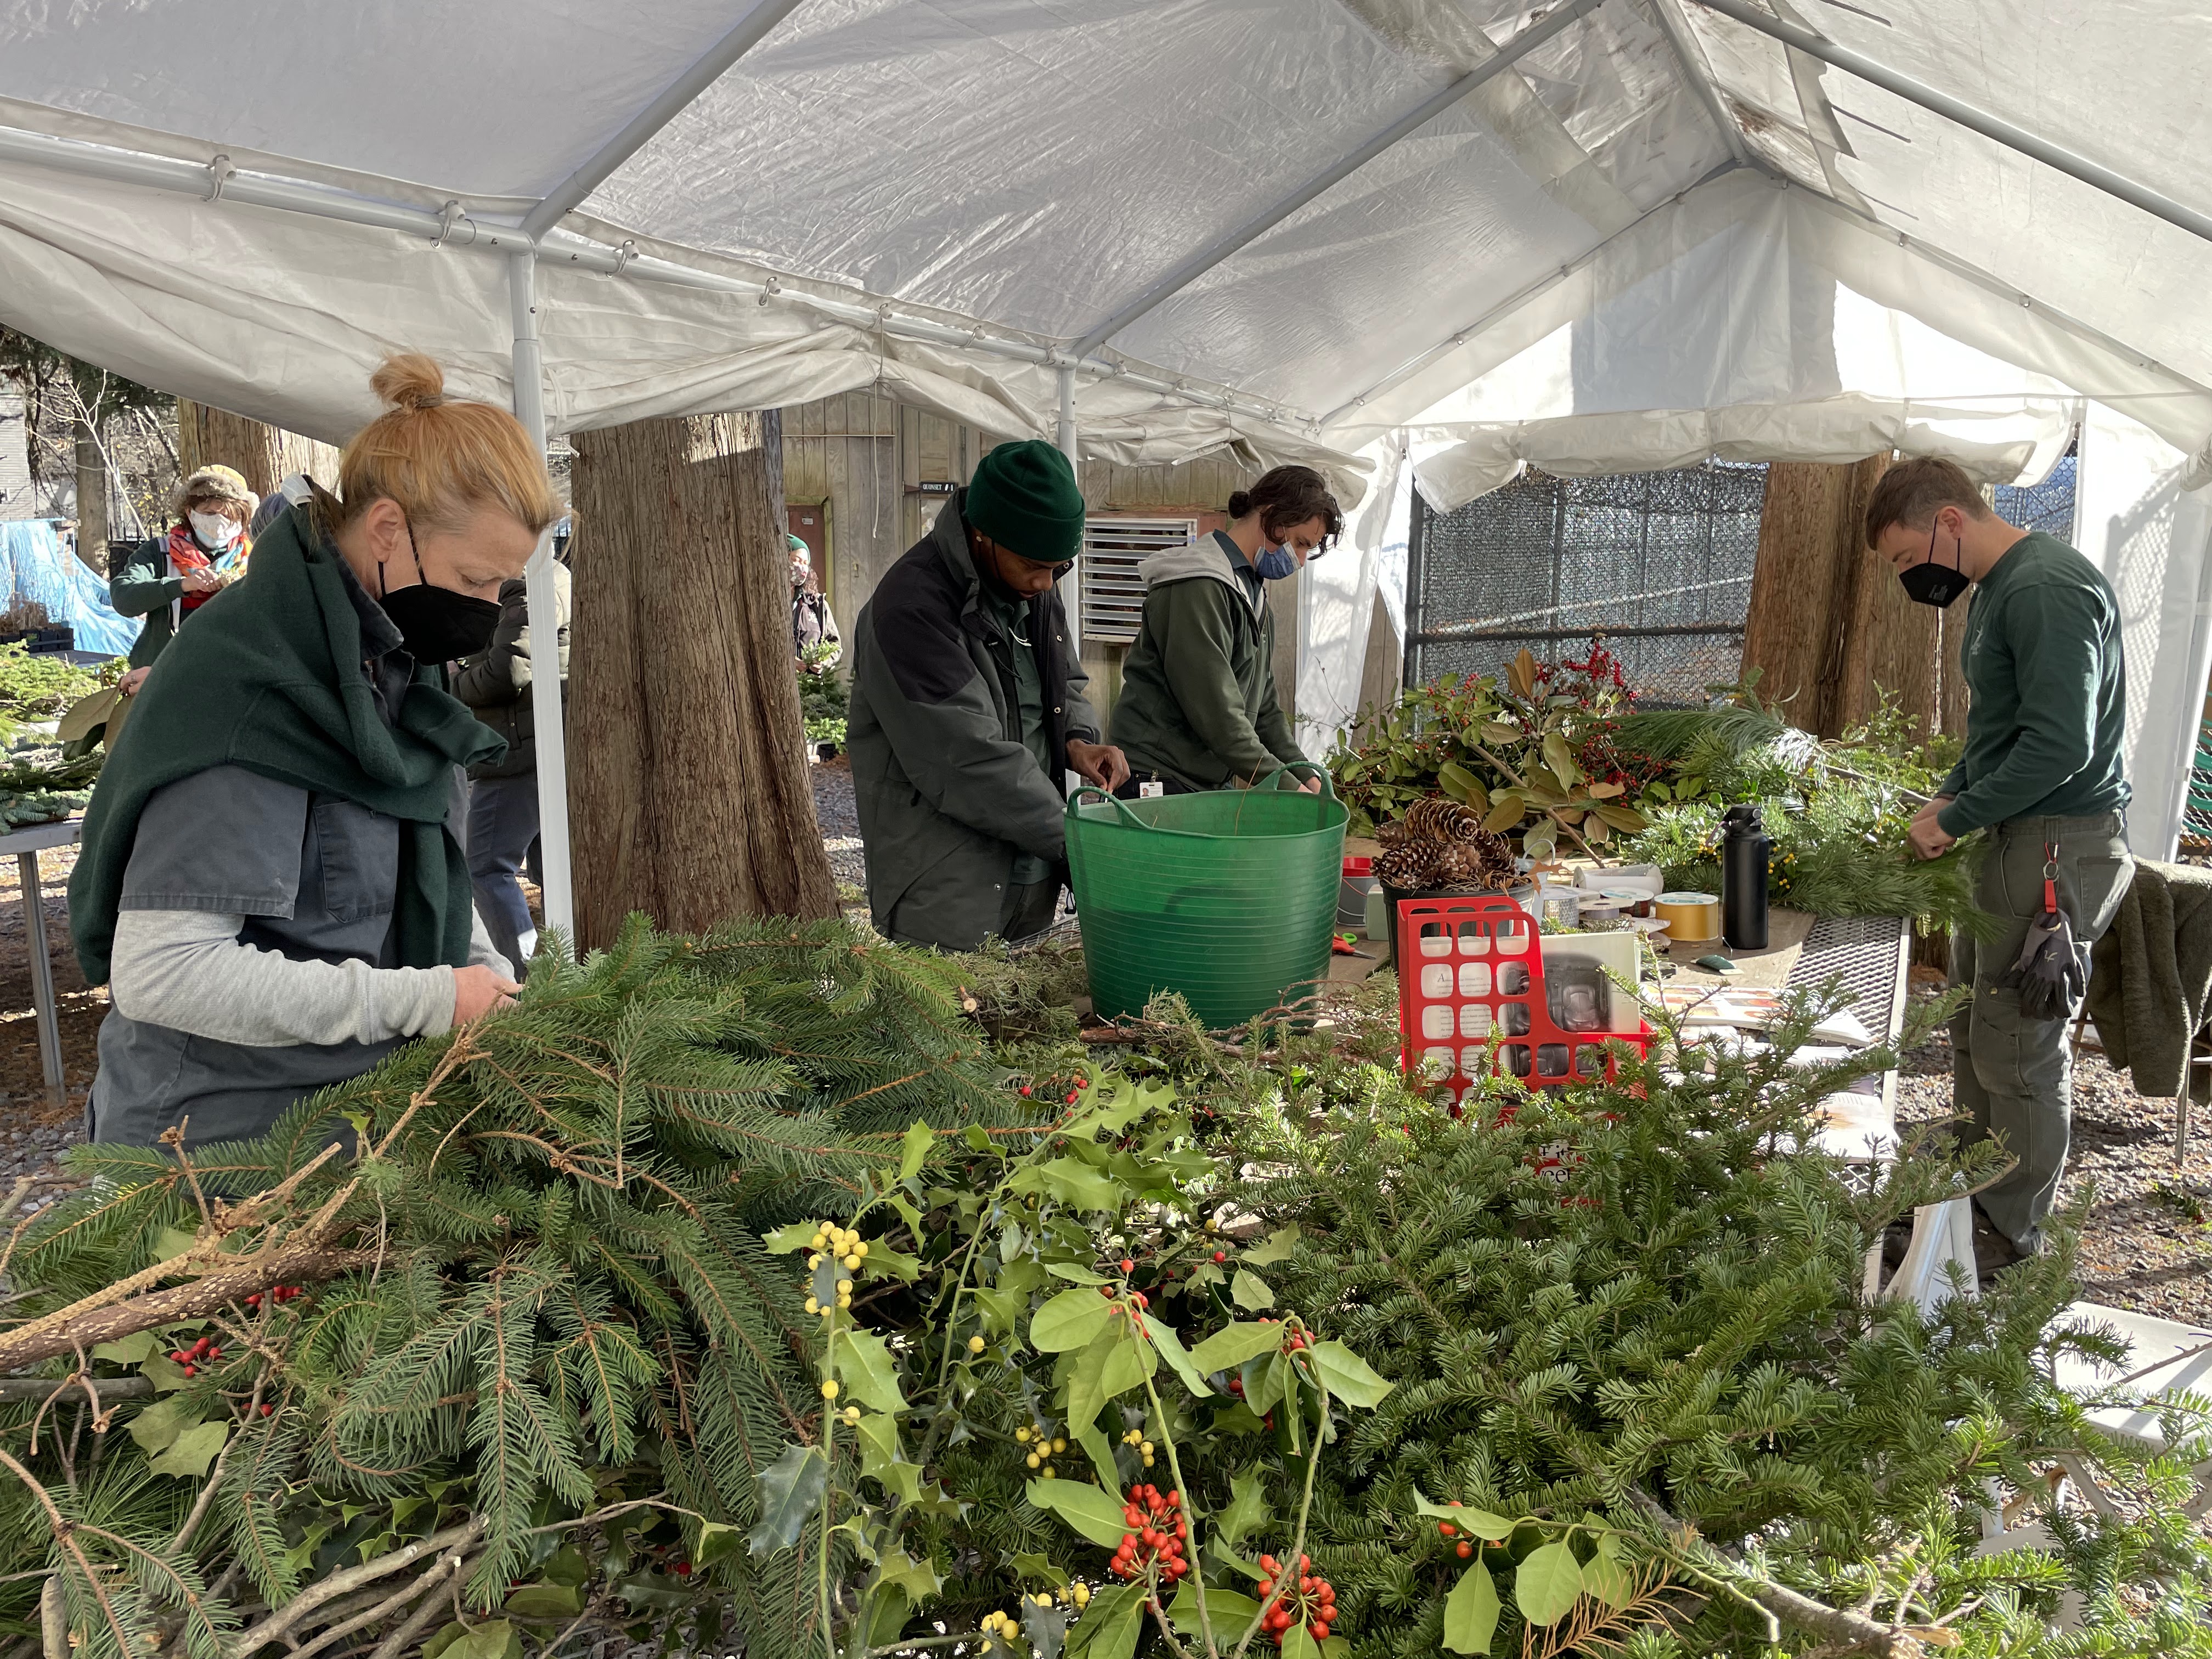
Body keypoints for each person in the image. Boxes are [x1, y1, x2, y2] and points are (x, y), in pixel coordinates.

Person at [69, 353, 558, 1150]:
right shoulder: (248, 682)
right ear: (388, 529)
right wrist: (430, 1002)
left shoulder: (391, 658)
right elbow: (165, 971)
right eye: (474, 579)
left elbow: (423, 853)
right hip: (211, 1152)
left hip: (356, 1130)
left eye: (498, 589)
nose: (482, 613)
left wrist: (484, 981)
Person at [1867, 455, 2132, 1271]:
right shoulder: (1999, 591)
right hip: (2014, 837)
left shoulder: (2045, 588)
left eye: (1908, 558)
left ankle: (2008, 1231)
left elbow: (2060, 744)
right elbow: (2000, 735)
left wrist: (1963, 813)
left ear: (1949, 520)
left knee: (2019, 1048)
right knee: (1976, 1031)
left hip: (2055, 842)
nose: (1910, 578)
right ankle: (1966, 1198)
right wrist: (1950, 798)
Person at [848, 438, 1128, 950]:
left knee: (1023, 1023)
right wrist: (1083, 844)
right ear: (983, 535)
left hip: (1030, 869)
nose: (1047, 584)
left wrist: (1078, 741)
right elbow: (965, 757)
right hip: (947, 882)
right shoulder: (910, 610)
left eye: (1059, 568)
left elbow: (1063, 681)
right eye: (1034, 566)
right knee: (948, 1022)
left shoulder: (1031, 579)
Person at [1109, 465, 1341, 796]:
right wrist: (1288, 787)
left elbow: (1265, 711)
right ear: (1272, 517)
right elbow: (1219, 718)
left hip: (1201, 779)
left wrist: (1307, 776)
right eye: (1301, 544)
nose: (1301, 560)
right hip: (1155, 777)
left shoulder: (1254, 599)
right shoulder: (1198, 587)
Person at [454, 547, 571, 973]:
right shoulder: (536, 580)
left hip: (520, 751)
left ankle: (527, 979)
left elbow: (508, 671)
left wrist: (450, 684)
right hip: (535, 745)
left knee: (484, 867)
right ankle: (562, 974)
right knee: (551, 872)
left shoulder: (526, 584)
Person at [110, 464, 257, 674]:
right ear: (190, 513)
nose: (220, 522)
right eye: (210, 513)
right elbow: (123, 598)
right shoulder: (160, 552)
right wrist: (182, 585)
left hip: (232, 674)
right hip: (165, 674)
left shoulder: (254, 557)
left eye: (229, 516)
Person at [790, 533, 840, 670]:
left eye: (805, 563)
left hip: (811, 687)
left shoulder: (817, 604)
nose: (801, 567)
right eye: (796, 560)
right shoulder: (770, 602)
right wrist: (788, 662)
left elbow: (834, 645)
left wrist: (823, 662)